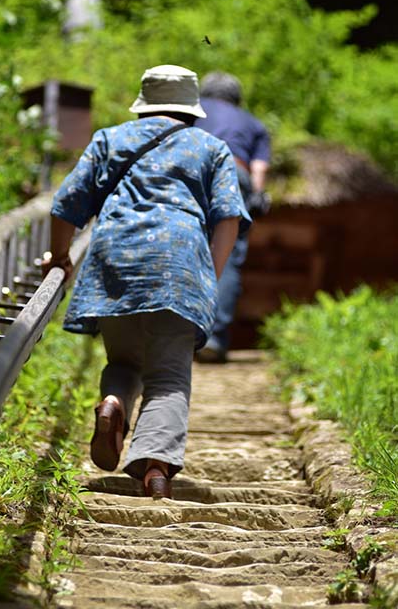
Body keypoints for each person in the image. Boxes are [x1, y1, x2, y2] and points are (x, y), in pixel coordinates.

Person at [42, 64, 250, 499]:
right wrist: (208, 275)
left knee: (123, 362)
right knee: (169, 375)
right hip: (180, 266)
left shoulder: (109, 140)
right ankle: (155, 465)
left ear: (144, 103)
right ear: (191, 107)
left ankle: (114, 404)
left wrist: (60, 257)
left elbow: (65, 206)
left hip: (115, 262)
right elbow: (229, 217)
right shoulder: (211, 150)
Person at [195, 71, 271, 364]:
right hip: (235, 173)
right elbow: (259, 168)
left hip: (194, 168)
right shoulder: (252, 123)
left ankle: (174, 334)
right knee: (227, 255)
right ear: (236, 98)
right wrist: (256, 197)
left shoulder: (194, 110)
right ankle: (212, 338)